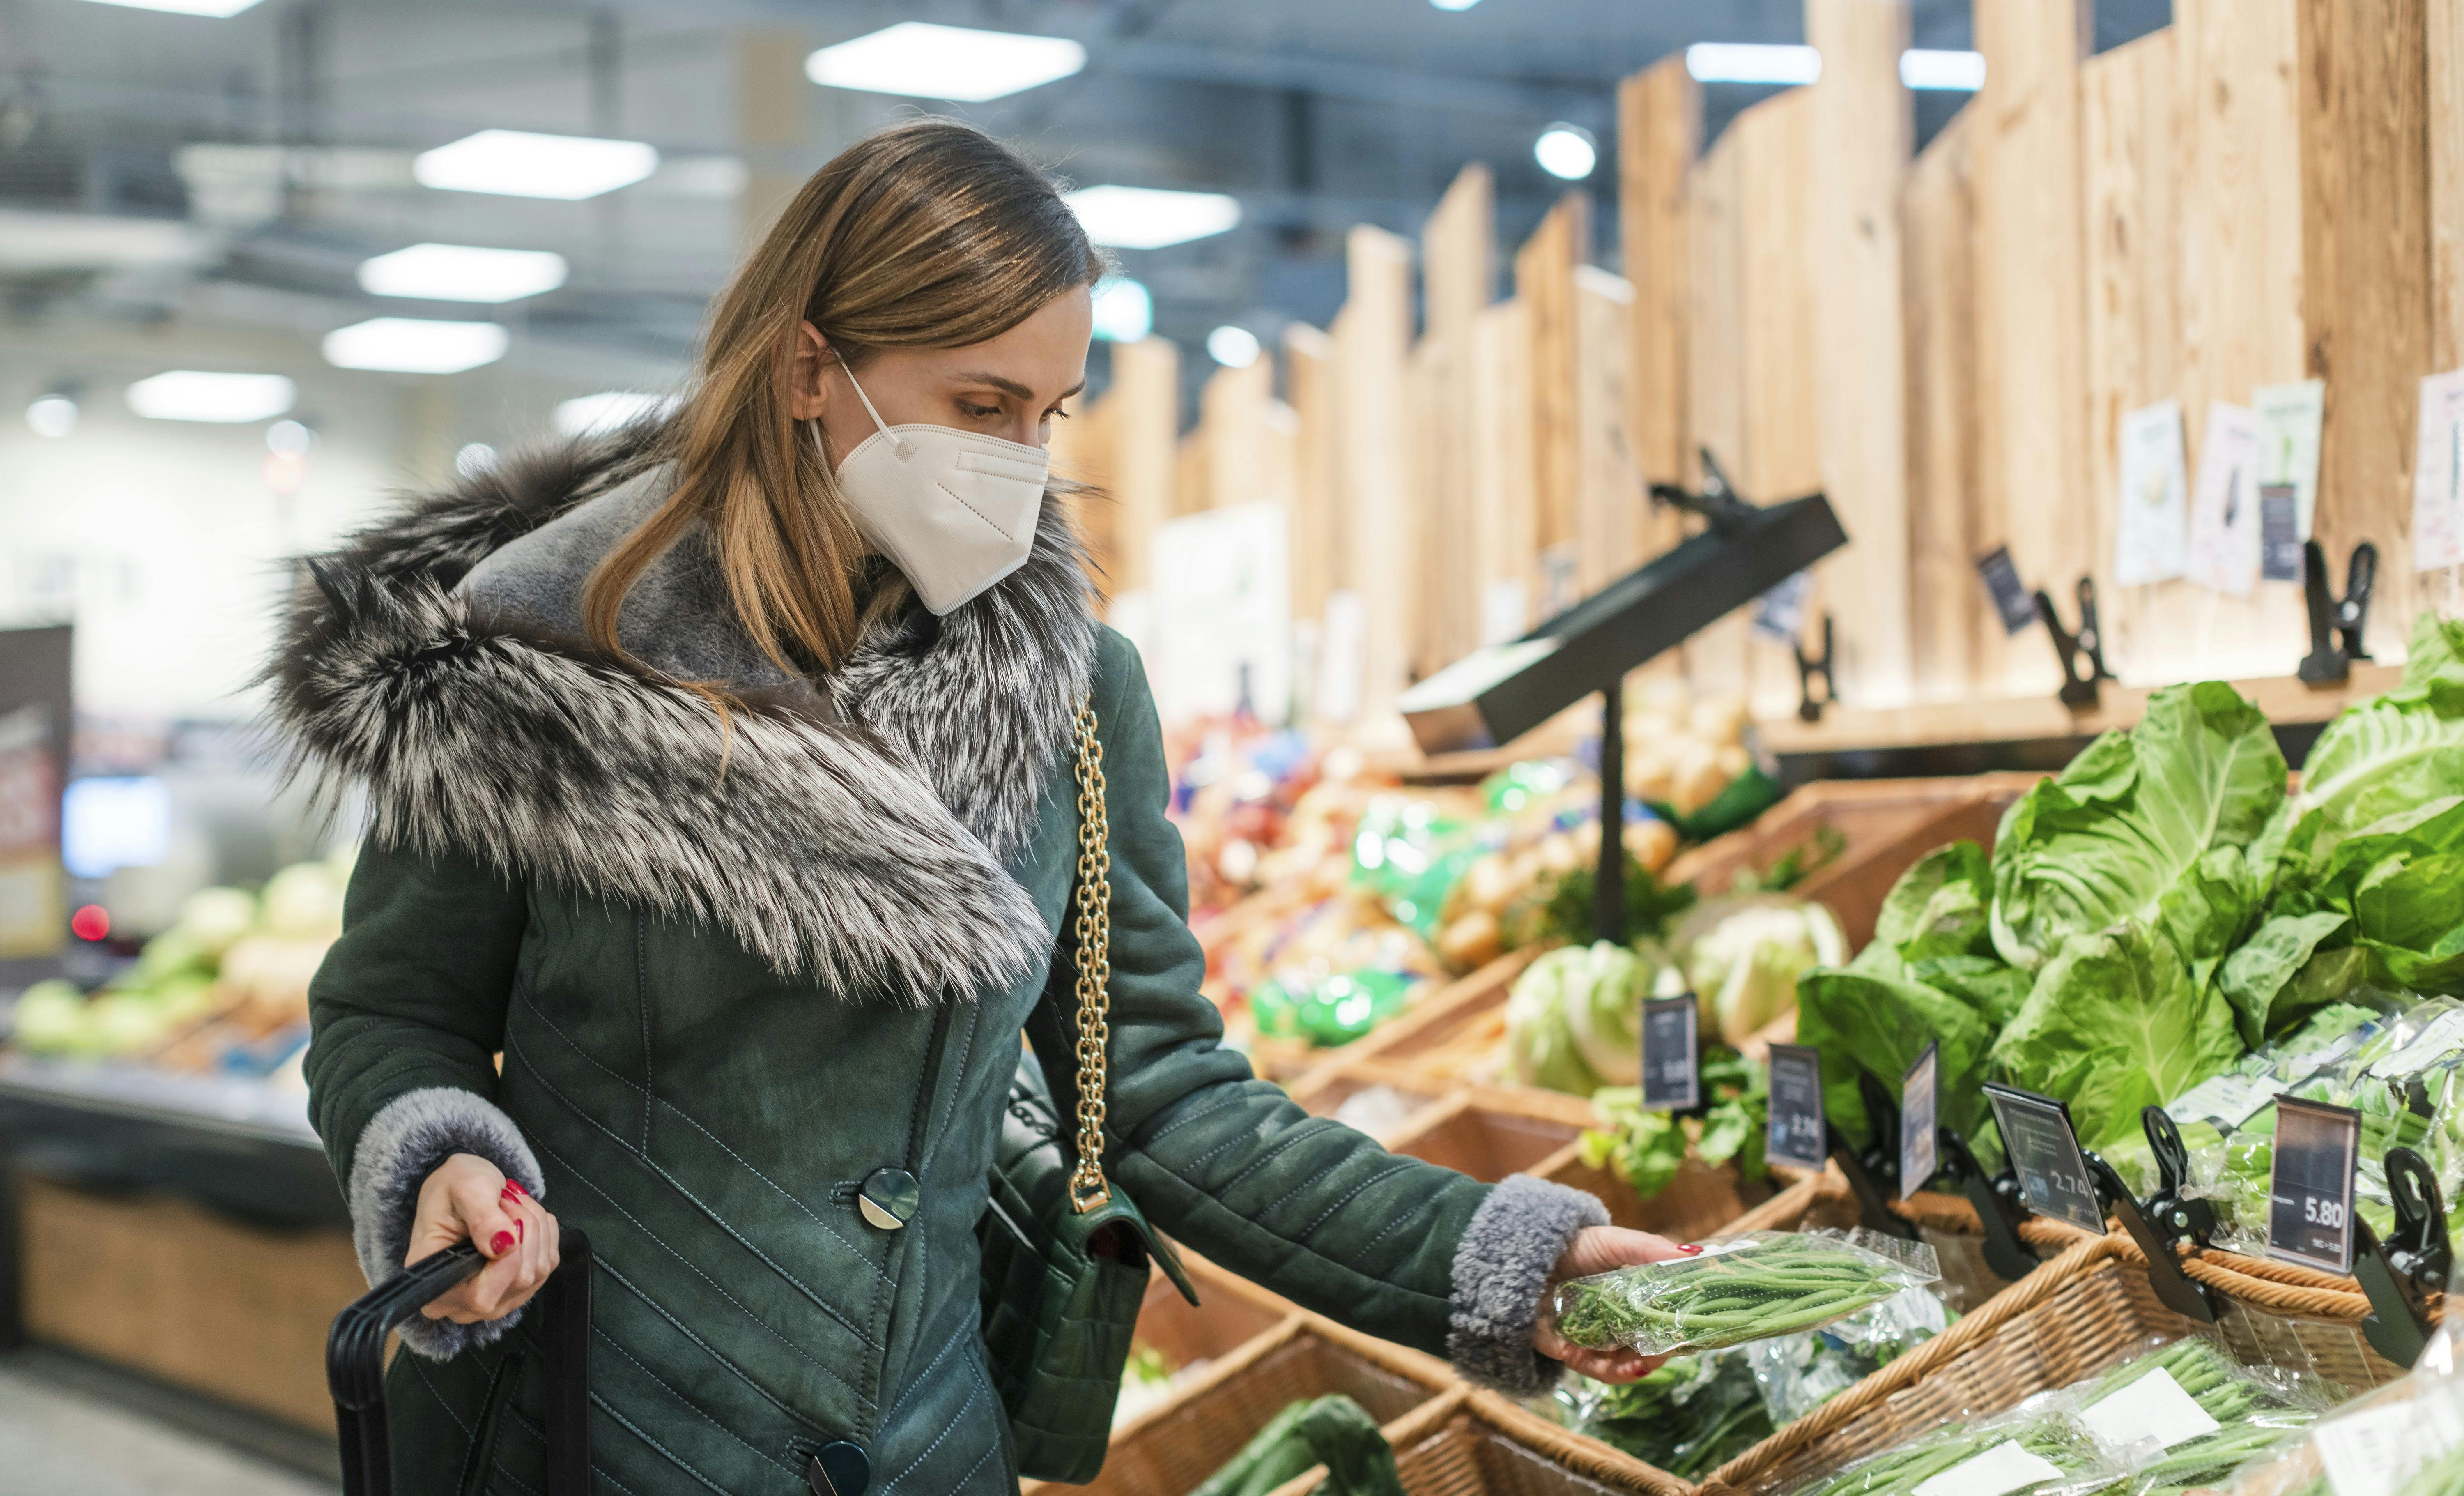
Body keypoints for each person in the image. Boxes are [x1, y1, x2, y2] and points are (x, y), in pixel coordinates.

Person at [275, 118, 1683, 1496]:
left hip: (924, 1439)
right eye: (981, 405)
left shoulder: (1070, 692)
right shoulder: (530, 655)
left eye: (1050, 412)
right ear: (810, 366)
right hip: (580, 1429)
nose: (1022, 458)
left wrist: (1498, 1254)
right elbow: (391, 1010)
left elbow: (1159, 1090)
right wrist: (439, 1151)